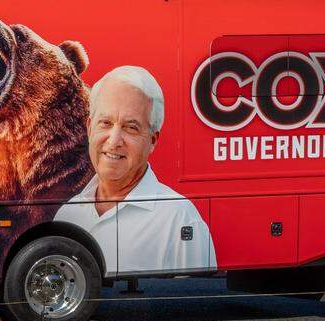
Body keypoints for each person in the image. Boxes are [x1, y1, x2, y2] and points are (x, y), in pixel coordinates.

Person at [55, 66, 215, 274]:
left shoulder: (180, 220)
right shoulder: (67, 214)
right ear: (89, 128)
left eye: (131, 127)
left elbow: (195, 302)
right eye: (105, 123)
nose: (114, 141)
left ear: (152, 140)